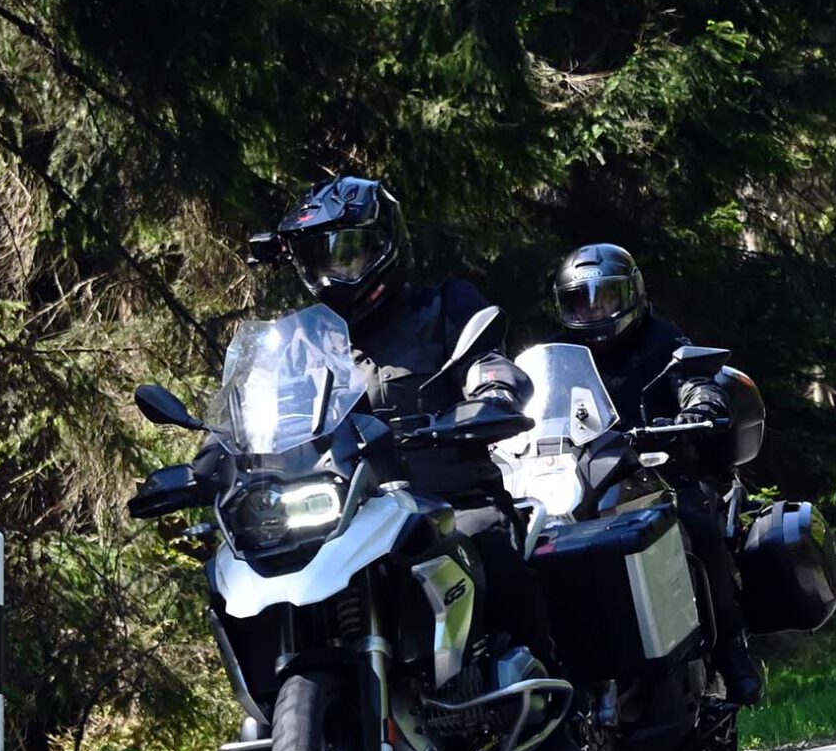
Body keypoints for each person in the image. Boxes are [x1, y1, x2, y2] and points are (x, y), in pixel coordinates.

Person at [257, 176, 548, 648]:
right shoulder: (299, 341)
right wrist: (207, 458)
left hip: (450, 503)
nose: (334, 271)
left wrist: (493, 391)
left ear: (386, 243)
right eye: (320, 256)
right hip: (342, 519)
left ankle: (551, 704)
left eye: (348, 252)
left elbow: (486, 362)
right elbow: (258, 407)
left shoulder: (443, 306)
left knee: (491, 552)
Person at [552, 243, 766, 707]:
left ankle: (732, 653)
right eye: (582, 301)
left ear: (632, 295)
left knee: (697, 524)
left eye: (605, 298)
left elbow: (693, 378)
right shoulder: (565, 353)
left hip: (664, 471)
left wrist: (700, 403)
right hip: (588, 475)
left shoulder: (661, 340)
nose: (594, 310)